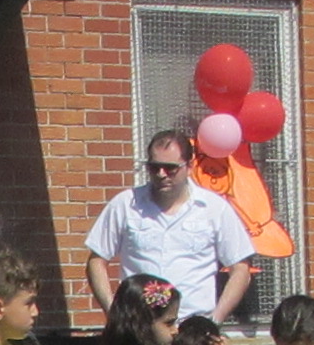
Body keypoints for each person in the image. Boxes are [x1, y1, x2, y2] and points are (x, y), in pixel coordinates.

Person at [82, 130, 255, 323]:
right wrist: (113, 312)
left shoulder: (214, 209)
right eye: (154, 167)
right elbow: (96, 260)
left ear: (189, 166)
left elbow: (240, 268)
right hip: (139, 326)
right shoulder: (125, 204)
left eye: (170, 168)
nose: (161, 174)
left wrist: (215, 319)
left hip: (191, 327)